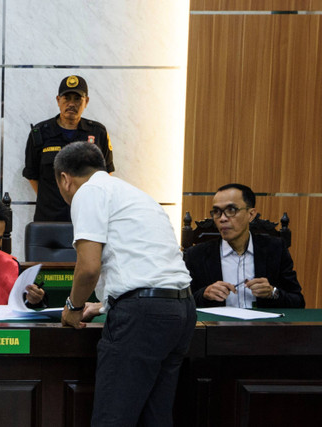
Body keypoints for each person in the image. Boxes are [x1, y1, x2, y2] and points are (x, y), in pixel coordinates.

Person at [55, 141, 196, 427]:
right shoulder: (136, 195)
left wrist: (73, 307)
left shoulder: (88, 192)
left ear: (64, 179)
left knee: (112, 419)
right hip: (182, 310)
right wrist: (105, 304)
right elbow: (146, 264)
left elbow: (88, 268)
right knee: (154, 418)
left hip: (142, 316)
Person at [183, 183, 305, 308]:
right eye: (217, 211)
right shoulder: (197, 254)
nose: (222, 218)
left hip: (262, 326)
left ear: (251, 214)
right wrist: (204, 294)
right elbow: (182, 303)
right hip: (218, 326)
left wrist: (273, 292)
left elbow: (298, 302)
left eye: (231, 210)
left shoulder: (275, 249)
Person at [23, 75, 114, 222]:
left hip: (88, 217)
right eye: (67, 98)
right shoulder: (40, 133)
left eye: (77, 99)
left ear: (86, 102)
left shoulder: (98, 133)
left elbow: (107, 173)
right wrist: (53, 199)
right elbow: (32, 175)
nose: (71, 104)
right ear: (58, 100)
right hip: (49, 219)